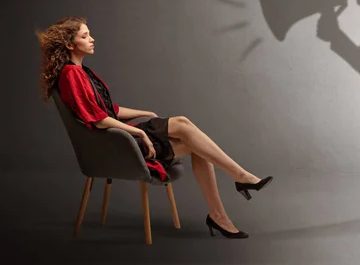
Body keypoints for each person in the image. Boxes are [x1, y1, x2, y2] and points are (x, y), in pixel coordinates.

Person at [37, 16, 273, 239]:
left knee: (193, 139)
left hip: (116, 137)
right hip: (114, 145)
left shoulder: (80, 72)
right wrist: (139, 131)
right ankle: (238, 180)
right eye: (85, 36)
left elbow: (110, 109)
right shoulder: (71, 75)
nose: (92, 39)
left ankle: (220, 212)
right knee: (184, 126)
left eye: (90, 35)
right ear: (70, 44)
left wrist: (143, 113)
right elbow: (98, 119)